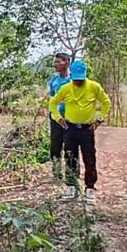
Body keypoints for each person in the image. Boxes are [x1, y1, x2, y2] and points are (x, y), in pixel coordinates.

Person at [49, 60, 111, 204]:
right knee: (70, 158)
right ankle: (72, 187)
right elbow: (53, 102)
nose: (78, 82)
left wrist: (99, 118)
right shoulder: (65, 88)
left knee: (89, 159)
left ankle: (90, 189)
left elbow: (106, 102)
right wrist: (58, 118)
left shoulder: (94, 87)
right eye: (76, 79)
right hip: (69, 128)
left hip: (86, 129)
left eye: (80, 79)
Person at [47, 53, 73, 181]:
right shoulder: (53, 80)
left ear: (67, 62)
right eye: (55, 62)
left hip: (71, 119)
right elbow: (52, 97)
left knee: (71, 148)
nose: (55, 65)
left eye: (58, 62)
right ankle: (57, 174)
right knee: (55, 147)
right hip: (56, 119)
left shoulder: (74, 79)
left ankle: (72, 175)